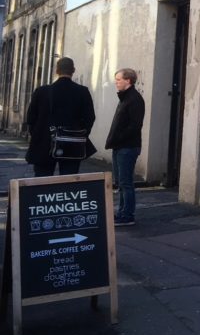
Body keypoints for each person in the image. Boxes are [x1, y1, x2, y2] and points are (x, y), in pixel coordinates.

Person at [25, 57, 97, 177]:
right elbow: (90, 118)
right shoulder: (82, 91)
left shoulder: (41, 92)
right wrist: (80, 134)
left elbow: (31, 118)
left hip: (44, 142)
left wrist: (39, 134)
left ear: (56, 70)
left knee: (43, 181)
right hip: (72, 142)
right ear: (73, 70)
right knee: (69, 181)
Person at [105, 68, 145, 226]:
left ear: (128, 80)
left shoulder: (134, 99)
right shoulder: (125, 98)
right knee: (120, 182)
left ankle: (128, 215)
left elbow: (135, 126)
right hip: (120, 146)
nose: (116, 82)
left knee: (126, 182)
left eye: (119, 79)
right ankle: (122, 212)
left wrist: (118, 138)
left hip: (127, 147)